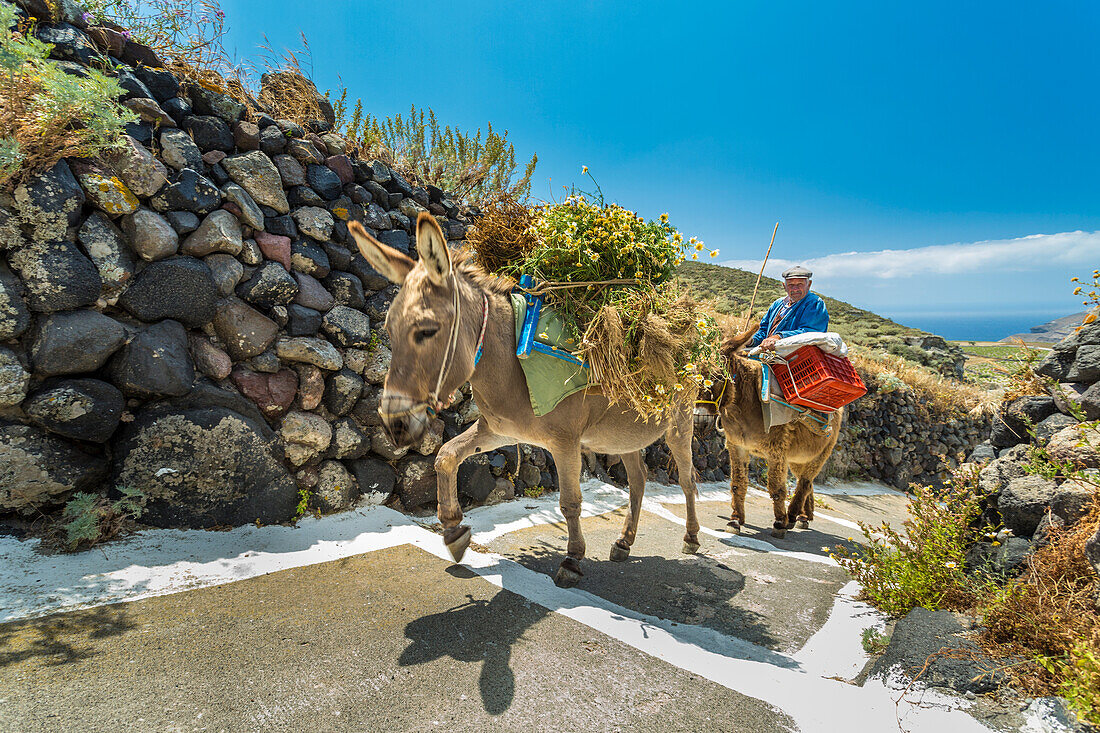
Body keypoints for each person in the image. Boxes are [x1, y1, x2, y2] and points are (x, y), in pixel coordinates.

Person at [749, 265, 829, 351]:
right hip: (773, 354)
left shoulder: (814, 303)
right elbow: (764, 330)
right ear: (784, 286)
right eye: (791, 285)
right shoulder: (778, 304)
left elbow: (811, 332)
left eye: (800, 284)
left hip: (798, 357)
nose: (795, 289)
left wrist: (779, 336)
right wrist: (751, 341)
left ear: (809, 284)